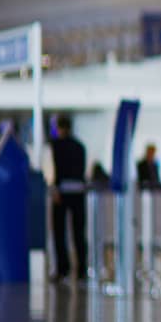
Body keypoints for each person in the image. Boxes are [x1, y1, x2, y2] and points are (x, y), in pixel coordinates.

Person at [49, 114, 90, 283]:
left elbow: (57, 169)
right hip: (79, 190)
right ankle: (81, 270)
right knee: (79, 232)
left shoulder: (57, 146)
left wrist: (56, 189)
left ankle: (62, 269)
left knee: (60, 232)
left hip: (63, 190)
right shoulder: (80, 146)